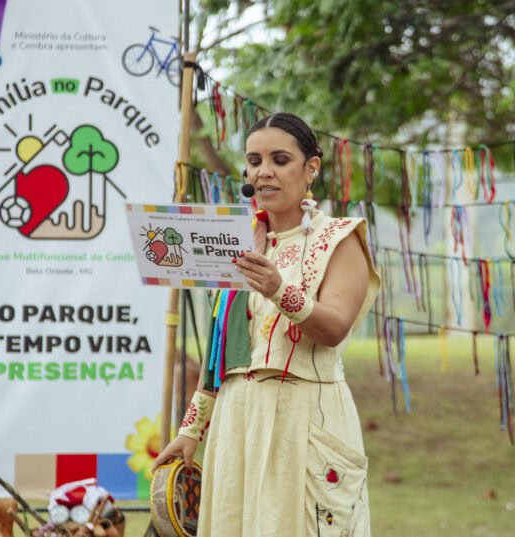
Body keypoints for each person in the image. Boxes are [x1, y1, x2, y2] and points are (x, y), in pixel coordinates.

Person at [152, 112, 380, 536]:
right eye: (255, 161)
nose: (265, 172)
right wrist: (191, 430)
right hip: (237, 417)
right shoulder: (238, 239)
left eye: (280, 159)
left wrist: (279, 289)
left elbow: (334, 328)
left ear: (311, 167)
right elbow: (224, 344)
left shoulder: (340, 238)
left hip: (305, 417)